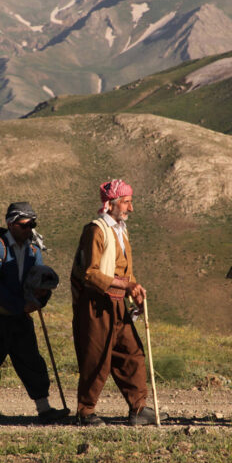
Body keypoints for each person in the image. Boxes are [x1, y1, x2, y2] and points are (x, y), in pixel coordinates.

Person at [70, 179, 163, 426]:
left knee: (131, 353)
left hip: (119, 303)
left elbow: (125, 271)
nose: (130, 208)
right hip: (96, 305)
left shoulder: (121, 230)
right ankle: (85, 411)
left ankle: (138, 408)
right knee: (96, 358)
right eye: (126, 202)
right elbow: (90, 274)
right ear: (109, 204)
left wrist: (135, 293)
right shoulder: (95, 230)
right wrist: (126, 285)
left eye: (130, 202)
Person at [0, 202, 68, 423]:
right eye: (25, 225)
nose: (29, 229)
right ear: (11, 224)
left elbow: (38, 277)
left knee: (31, 359)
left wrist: (41, 297)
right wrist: (19, 305)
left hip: (20, 314)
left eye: (33, 224)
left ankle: (44, 409)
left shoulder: (33, 248)